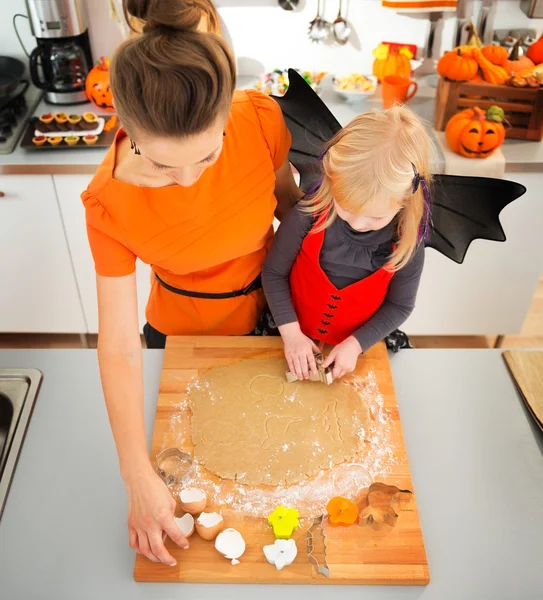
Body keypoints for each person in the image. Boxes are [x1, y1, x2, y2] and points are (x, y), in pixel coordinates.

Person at [81, 0, 301, 567]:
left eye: (206, 157)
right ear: (128, 129)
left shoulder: (258, 119)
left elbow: (291, 212)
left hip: (273, 323)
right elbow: (119, 345)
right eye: (159, 165)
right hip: (174, 340)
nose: (185, 181)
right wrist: (134, 476)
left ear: (228, 114)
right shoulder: (106, 202)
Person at [262, 106, 431, 381]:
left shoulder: (407, 242)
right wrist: (291, 334)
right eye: (347, 207)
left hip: (361, 343)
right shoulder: (307, 216)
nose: (358, 223)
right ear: (332, 179)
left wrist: (354, 345)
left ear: (405, 199)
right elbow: (273, 272)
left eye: (376, 217)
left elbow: (400, 306)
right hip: (289, 328)